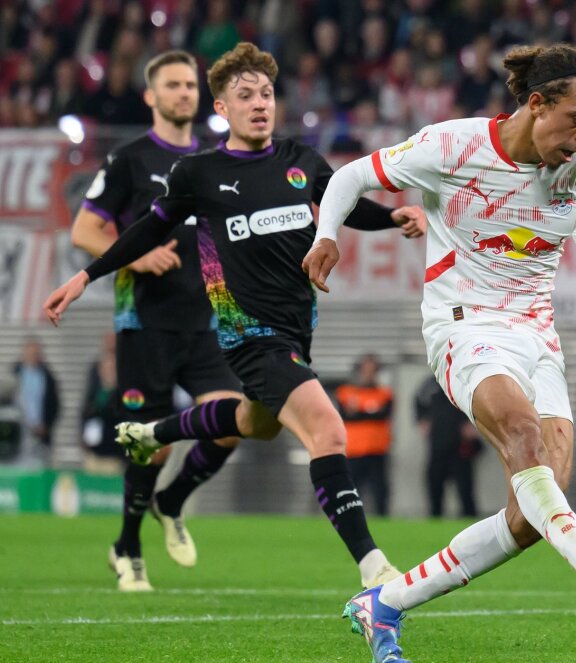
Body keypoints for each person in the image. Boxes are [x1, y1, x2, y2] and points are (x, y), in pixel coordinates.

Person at [310, 43, 576, 663]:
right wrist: (327, 236)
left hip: (539, 336)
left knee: (533, 510)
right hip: (464, 325)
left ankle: (386, 603)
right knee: (521, 434)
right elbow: (350, 176)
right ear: (536, 105)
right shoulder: (451, 148)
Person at [44, 42, 427, 593]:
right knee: (328, 429)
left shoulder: (301, 161)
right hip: (246, 334)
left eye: (267, 94)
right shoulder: (199, 172)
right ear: (221, 108)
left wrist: (393, 216)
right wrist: (85, 277)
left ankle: (155, 436)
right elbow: (146, 230)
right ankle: (374, 567)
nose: (259, 104)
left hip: (295, 330)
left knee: (254, 423)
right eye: (245, 96)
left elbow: (344, 204)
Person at [71, 50, 246, 590]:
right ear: (150, 95)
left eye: (189, 85)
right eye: (171, 85)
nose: (183, 94)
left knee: (232, 423)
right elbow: (85, 230)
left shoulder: (217, 160)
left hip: (208, 319)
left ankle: (171, 500)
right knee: (150, 442)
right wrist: (139, 255)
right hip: (143, 322)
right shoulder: (128, 160)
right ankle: (127, 548)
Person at [334, 354, 393, 516]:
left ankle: (383, 520)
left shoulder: (385, 393)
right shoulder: (345, 392)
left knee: (380, 490)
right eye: (365, 370)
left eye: (372, 371)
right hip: (353, 450)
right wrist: (369, 411)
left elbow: (382, 415)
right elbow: (346, 416)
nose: (368, 374)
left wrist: (359, 411)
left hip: (376, 450)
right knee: (351, 491)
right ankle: (349, 520)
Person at [414, 375, 481, 517]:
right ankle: (435, 518)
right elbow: (418, 400)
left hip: (460, 445)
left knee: (465, 488)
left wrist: (475, 422)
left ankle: (469, 520)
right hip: (437, 443)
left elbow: (480, 400)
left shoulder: (464, 379)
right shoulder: (431, 383)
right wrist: (421, 420)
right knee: (435, 486)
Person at [80, 332, 124, 475]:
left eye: (111, 368)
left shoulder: (122, 394)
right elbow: (85, 415)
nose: (108, 372)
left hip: (113, 456)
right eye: (105, 368)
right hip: (94, 454)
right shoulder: (95, 393)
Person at [12, 338, 60, 467]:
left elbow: (55, 404)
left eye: (35, 353)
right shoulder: (14, 374)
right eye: (30, 353)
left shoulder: (47, 376)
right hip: (19, 433)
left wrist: (46, 425)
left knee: (41, 466)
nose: (32, 356)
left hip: (41, 434)